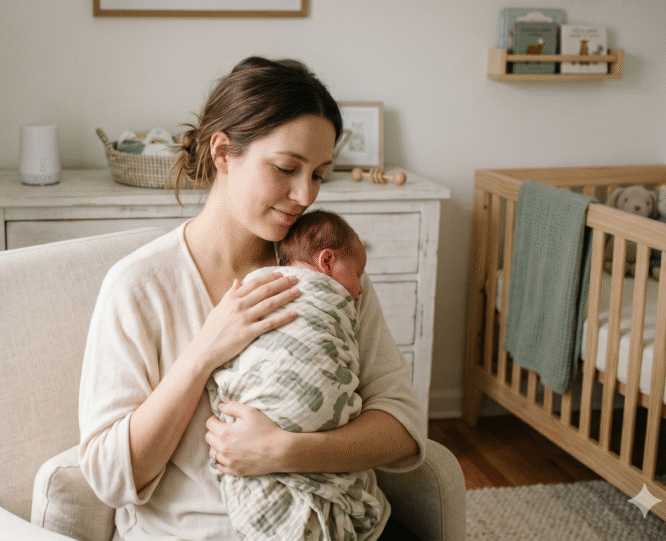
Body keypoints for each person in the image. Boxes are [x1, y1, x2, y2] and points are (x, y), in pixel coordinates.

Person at [78, 56, 425, 541]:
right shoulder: (139, 286)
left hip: (337, 526)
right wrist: (202, 354)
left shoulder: (327, 277)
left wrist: (285, 451)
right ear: (222, 152)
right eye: (286, 168)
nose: (305, 195)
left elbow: (404, 427)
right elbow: (109, 476)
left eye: (320, 174)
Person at [206, 209, 376, 540]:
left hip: (291, 450)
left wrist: (283, 449)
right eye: (357, 274)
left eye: (318, 175)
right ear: (326, 262)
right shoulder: (258, 293)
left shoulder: (332, 300)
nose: (359, 291)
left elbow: (338, 364)